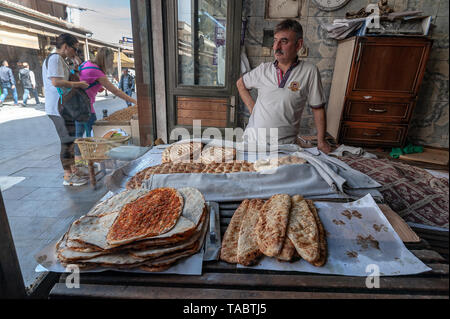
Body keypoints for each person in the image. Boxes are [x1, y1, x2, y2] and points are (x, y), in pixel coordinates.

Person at [237, 19, 331, 154]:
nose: (276, 47)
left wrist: (321, 141)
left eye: (284, 41)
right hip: (253, 141)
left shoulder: (309, 71)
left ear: (298, 45)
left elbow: (318, 108)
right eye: (275, 40)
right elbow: (240, 84)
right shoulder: (263, 69)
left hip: (285, 146)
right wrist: (253, 109)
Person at [42, 33, 90, 186]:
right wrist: (79, 85)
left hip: (63, 106)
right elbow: (56, 82)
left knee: (69, 138)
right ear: (65, 47)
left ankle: (73, 170)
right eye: (74, 49)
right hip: (58, 107)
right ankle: (68, 176)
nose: (75, 52)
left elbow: (68, 79)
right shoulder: (55, 58)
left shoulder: (61, 59)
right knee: (66, 141)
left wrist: (75, 69)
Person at [74, 47, 137, 162]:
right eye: (111, 59)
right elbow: (116, 91)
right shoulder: (97, 71)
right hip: (84, 107)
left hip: (77, 103)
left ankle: (81, 161)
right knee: (93, 133)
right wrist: (135, 102)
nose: (112, 62)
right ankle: (86, 162)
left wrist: (97, 88)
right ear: (105, 59)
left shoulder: (88, 64)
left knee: (80, 134)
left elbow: (86, 81)